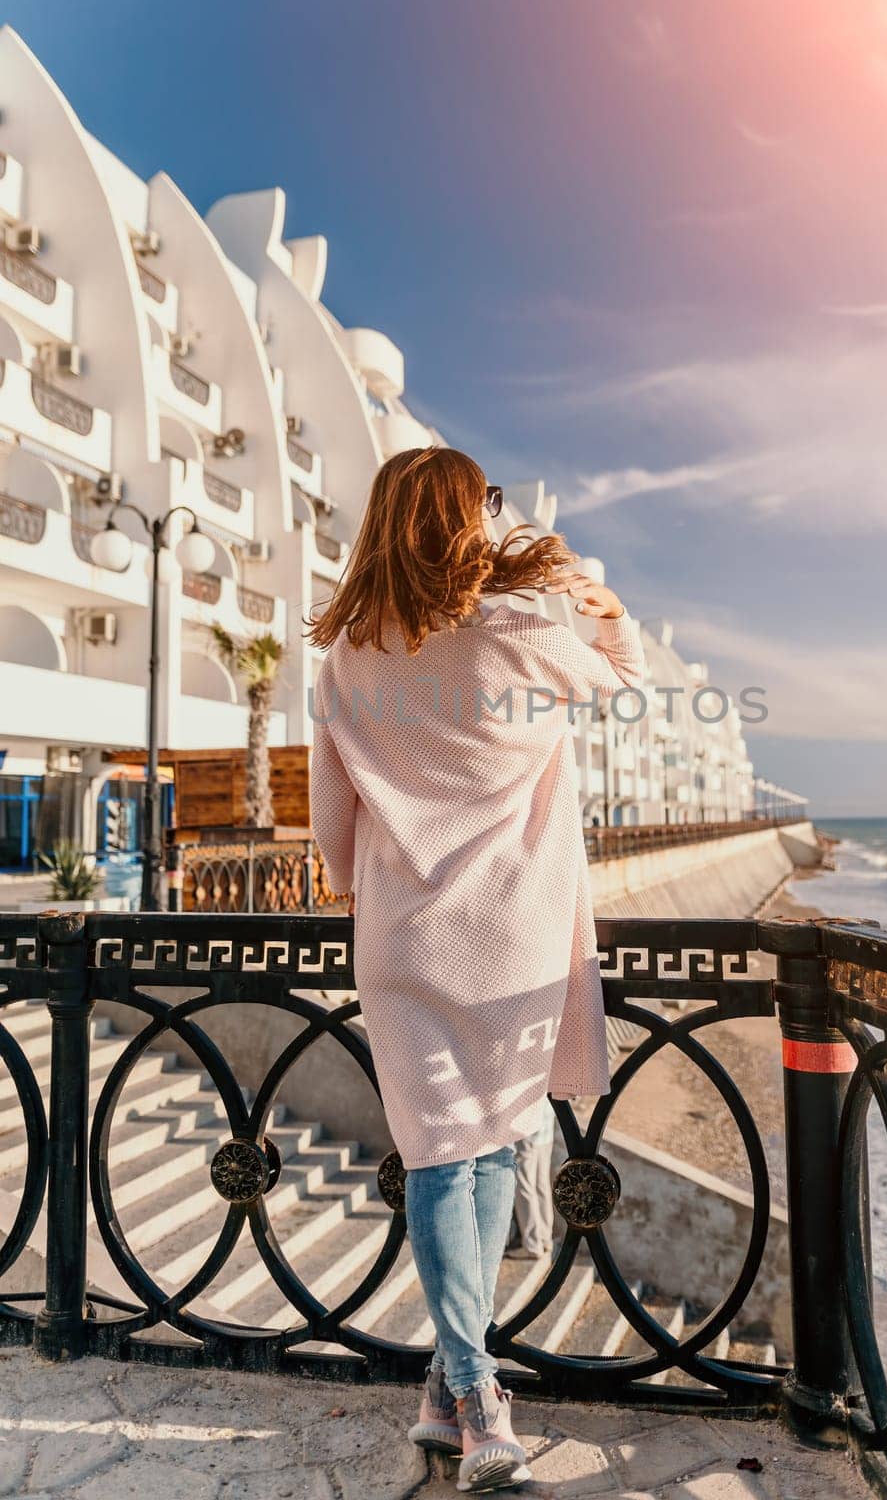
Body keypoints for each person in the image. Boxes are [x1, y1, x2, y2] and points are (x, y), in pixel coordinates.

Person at [308, 447, 643, 1493]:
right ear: (466, 517)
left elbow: (330, 827)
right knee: (479, 1147)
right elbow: (622, 670)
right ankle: (475, 1393)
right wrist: (601, 597)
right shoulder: (524, 635)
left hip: (403, 931)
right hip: (516, 930)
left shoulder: (345, 660)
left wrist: (354, 878)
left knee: (449, 1147)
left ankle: (447, 1388)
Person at [506, 1097, 556, 1260]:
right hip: (547, 1123)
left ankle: (532, 1245)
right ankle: (545, 1239)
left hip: (528, 1126)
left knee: (524, 1185)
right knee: (541, 1184)